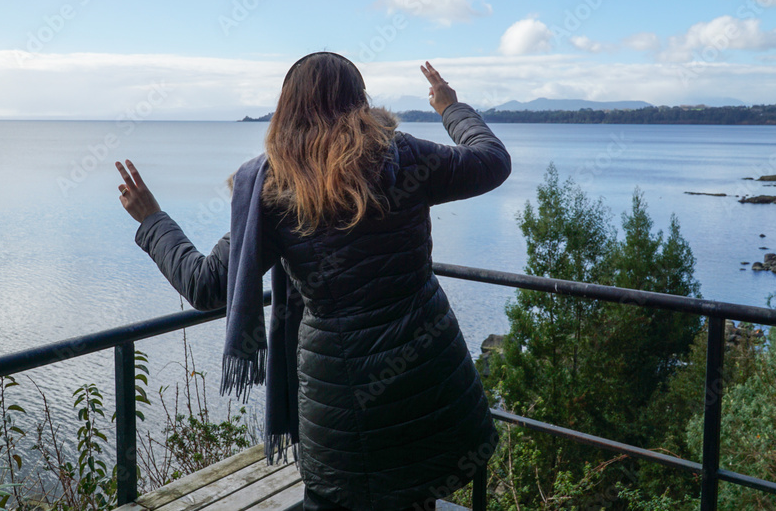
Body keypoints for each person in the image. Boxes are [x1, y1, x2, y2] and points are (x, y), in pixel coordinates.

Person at [115, 53, 511, 511]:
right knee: (417, 493)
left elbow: (206, 285)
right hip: (430, 376)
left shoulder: (274, 187)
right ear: (359, 100)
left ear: (287, 108)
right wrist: (449, 107)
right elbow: (492, 161)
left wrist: (152, 220)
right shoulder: (405, 156)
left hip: (341, 399)